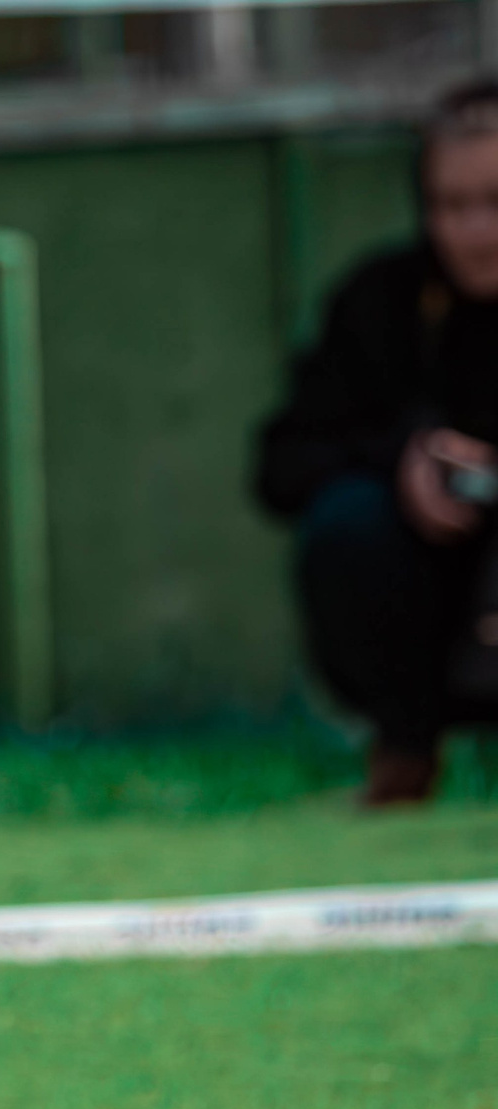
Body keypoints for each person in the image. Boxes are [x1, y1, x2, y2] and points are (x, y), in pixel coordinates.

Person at [257, 75, 498, 805]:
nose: (475, 232)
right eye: (451, 206)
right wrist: (404, 459)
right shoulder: (382, 302)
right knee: (350, 524)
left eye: (496, 203)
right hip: (438, 592)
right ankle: (404, 750)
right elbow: (280, 463)